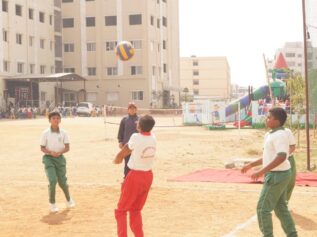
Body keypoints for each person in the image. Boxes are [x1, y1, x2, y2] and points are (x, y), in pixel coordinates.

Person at [241, 107, 297, 237]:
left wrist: (261, 171)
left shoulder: (280, 135)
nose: (266, 119)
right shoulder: (270, 134)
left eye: (269, 117)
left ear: (277, 121)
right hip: (280, 174)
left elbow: (282, 156)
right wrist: (251, 165)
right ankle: (292, 234)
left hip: (276, 175)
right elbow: (268, 156)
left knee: (262, 209)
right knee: (280, 207)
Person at [113, 115, 156, 237]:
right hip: (148, 176)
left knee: (121, 210)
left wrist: (118, 158)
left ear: (140, 126)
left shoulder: (136, 136)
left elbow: (127, 148)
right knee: (135, 210)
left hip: (135, 176)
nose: (137, 122)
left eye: (139, 122)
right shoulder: (153, 137)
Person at [40, 111, 75, 212]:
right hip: (48, 159)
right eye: (53, 118)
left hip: (60, 159)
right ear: (49, 120)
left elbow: (67, 147)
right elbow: (42, 148)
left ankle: (69, 199)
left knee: (63, 182)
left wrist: (60, 152)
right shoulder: (45, 133)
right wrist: (50, 153)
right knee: (52, 180)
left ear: (60, 120)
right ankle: (52, 203)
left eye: (57, 118)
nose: (55, 120)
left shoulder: (64, 133)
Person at [117, 102, 139, 178]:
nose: (132, 110)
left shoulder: (140, 120)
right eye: (130, 108)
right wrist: (120, 141)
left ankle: (135, 178)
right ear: (128, 110)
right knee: (127, 162)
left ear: (136, 109)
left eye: (134, 108)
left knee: (136, 162)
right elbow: (121, 131)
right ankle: (126, 177)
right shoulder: (124, 120)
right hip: (127, 146)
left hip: (137, 146)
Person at [285, 127, 296, 203]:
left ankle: (286, 201)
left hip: (288, 159)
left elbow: (292, 146)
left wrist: (285, 156)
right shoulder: (268, 134)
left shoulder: (287, 131)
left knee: (290, 182)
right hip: (274, 160)